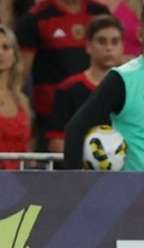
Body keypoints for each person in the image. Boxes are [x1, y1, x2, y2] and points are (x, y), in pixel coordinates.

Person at [63, 0, 144, 170]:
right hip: (133, 190)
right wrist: (73, 184)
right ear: (140, 33)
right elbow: (76, 128)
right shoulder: (122, 78)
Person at [16, 0, 109, 149]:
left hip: (99, 120)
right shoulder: (35, 18)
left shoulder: (99, 12)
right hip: (50, 123)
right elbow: (19, 75)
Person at [47, 14, 124, 155]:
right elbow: (56, 142)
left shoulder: (131, 88)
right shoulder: (68, 89)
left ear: (122, 46)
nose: (109, 48)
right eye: (102, 41)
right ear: (88, 46)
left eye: (115, 42)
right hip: (81, 174)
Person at [0, 25, 31, 170]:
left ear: (14, 55)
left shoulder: (22, 101)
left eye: (6, 47)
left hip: (18, 184)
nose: (0, 53)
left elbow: (27, 150)